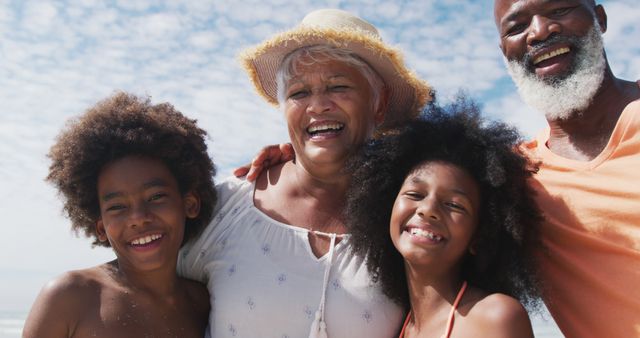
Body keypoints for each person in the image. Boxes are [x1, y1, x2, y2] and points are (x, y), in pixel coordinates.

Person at [178, 8, 431, 338]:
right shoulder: (223, 209)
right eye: (298, 92)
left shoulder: (409, 219)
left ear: (379, 103)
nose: (317, 106)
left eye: (338, 86)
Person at [494, 0, 640, 337]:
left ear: (599, 19)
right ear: (504, 52)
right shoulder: (511, 179)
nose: (540, 31)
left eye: (559, 10)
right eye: (516, 27)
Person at [22, 92, 216, 338]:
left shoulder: (202, 303)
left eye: (156, 197)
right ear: (101, 227)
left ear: (189, 204)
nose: (138, 217)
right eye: (117, 207)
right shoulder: (70, 298)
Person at [345, 102, 542, 338]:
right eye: (415, 195)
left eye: (454, 205)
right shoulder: (396, 326)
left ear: (480, 235)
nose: (428, 210)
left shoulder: (495, 317)